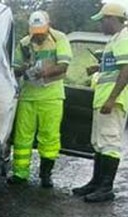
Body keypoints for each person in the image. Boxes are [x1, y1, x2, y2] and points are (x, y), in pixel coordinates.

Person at [9, 11, 73, 188]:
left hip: (51, 97)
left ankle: (46, 175)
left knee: (49, 137)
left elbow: (64, 66)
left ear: (48, 26)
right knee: (22, 138)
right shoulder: (24, 43)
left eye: (41, 32)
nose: (38, 36)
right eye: (35, 32)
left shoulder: (60, 38)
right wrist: (23, 68)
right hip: (28, 96)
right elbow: (13, 69)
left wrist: (43, 72)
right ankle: (20, 174)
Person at [73, 3, 128, 203]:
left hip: (113, 101)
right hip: (103, 99)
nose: (100, 26)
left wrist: (112, 99)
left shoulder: (124, 38)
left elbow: (126, 70)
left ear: (111, 19)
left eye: (102, 21)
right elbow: (115, 67)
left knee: (109, 144)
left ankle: (106, 188)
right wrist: (97, 67)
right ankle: (96, 183)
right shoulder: (114, 39)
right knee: (99, 143)